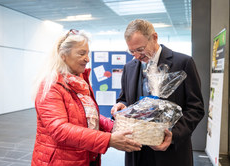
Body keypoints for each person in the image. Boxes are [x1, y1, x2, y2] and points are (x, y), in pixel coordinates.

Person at [31, 29, 142, 166]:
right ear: (63, 55)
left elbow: (87, 116)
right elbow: (60, 130)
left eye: (87, 53)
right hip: (61, 160)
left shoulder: (80, 82)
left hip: (86, 156)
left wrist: (115, 126)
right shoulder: (51, 86)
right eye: (81, 53)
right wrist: (108, 140)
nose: (87, 59)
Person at [111, 19, 205, 166]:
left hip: (171, 153)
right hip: (136, 152)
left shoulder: (183, 63)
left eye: (140, 49)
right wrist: (121, 105)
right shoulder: (129, 67)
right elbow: (124, 99)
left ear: (154, 37)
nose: (136, 55)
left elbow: (196, 108)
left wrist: (173, 135)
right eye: (132, 51)